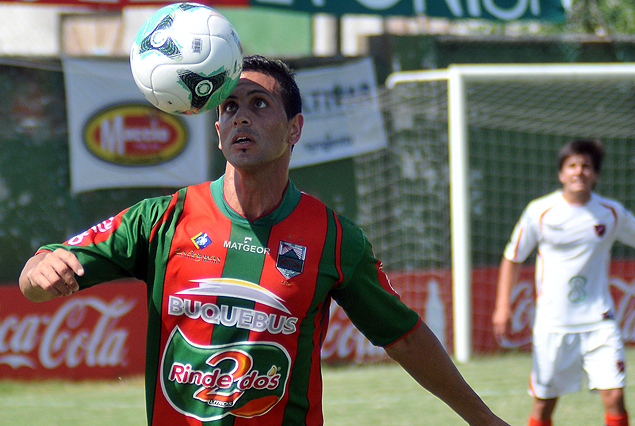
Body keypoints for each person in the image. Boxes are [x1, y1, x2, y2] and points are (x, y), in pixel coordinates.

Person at [20, 54, 509, 426]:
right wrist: (39, 271)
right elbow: (43, 272)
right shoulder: (162, 218)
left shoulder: (335, 239)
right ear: (217, 130)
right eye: (229, 106)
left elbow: (404, 337)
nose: (240, 117)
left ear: (295, 128)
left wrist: (485, 421)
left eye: (259, 104)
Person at [492, 139, 634, 426]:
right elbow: (513, 257)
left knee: (614, 396)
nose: (579, 172)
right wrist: (502, 306)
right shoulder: (539, 212)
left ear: (595, 175)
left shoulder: (612, 212)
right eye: (572, 166)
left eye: (586, 166)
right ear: (561, 174)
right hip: (553, 324)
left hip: (599, 322)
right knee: (544, 405)